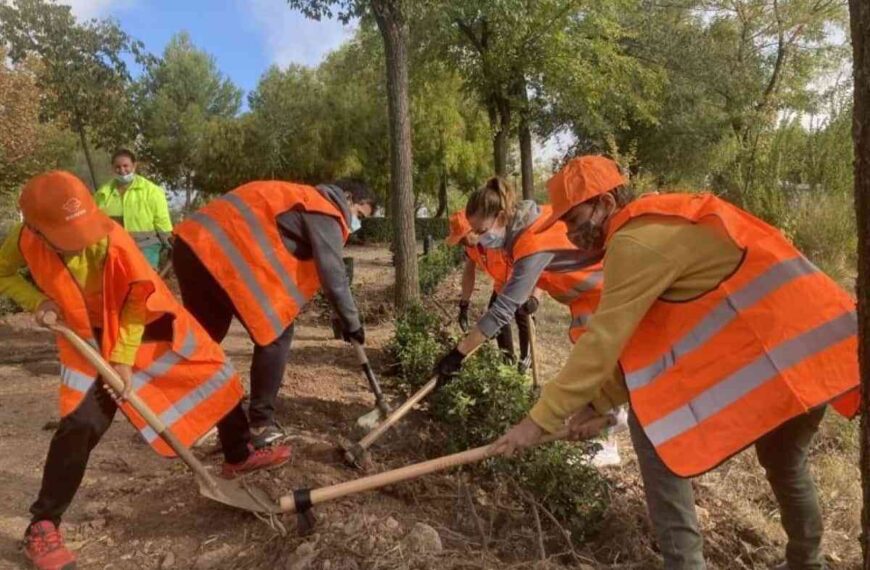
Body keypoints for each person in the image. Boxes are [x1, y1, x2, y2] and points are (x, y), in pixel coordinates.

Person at [494, 155, 861, 570]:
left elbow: (602, 342)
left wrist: (537, 421)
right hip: (802, 349)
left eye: (575, 217)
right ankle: (808, 563)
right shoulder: (659, 222)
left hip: (785, 348)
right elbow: (640, 341)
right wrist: (597, 406)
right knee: (784, 459)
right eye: (564, 223)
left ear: (607, 202)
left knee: (654, 431)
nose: (571, 232)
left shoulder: (633, 243)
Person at [0, 171, 291, 570]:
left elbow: (137, 298)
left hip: (141, 319)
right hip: (85, 337)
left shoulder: (111, 239)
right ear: (36, 229)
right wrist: (37, 302)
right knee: (81, 424)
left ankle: (238, 454)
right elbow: (4, 275)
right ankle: (43, 525)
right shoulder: (22, 240)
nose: (79, 243)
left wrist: (123, 357)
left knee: (212, 372)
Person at [172, 179, 376, 448]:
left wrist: (340, 316)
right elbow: (333, 274)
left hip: (192, 246)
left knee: (202, 339)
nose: (354, 223)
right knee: (277, 333)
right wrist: (352, 322)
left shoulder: (297, 196)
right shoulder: (325, 210)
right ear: (347, 197)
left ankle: (174, 413)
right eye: (359, 215)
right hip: (217, 257)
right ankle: (260, 425)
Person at [446, 211, 538, 371]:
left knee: (523, 317)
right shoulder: (472, 248)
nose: (462, 243)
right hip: (501, 285)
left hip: (520, 283)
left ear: (474, 230)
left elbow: (534, 264)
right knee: (495, 317)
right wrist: (464, 303)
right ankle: (507, 358)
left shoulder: (498, 239)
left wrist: (535, 297)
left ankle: (526, 359)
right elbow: (469, 272)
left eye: (462, 238)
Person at [94, 149, 173, 268]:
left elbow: (162, 220)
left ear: (134, 166)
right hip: (114, 247)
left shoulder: (152, 191)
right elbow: (96, 220)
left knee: (145, 282)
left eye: (126, 166)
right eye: (118, 167)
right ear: (112, 168)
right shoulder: (103, 193)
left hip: (146, 246)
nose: (122, 170)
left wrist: (170, 243)